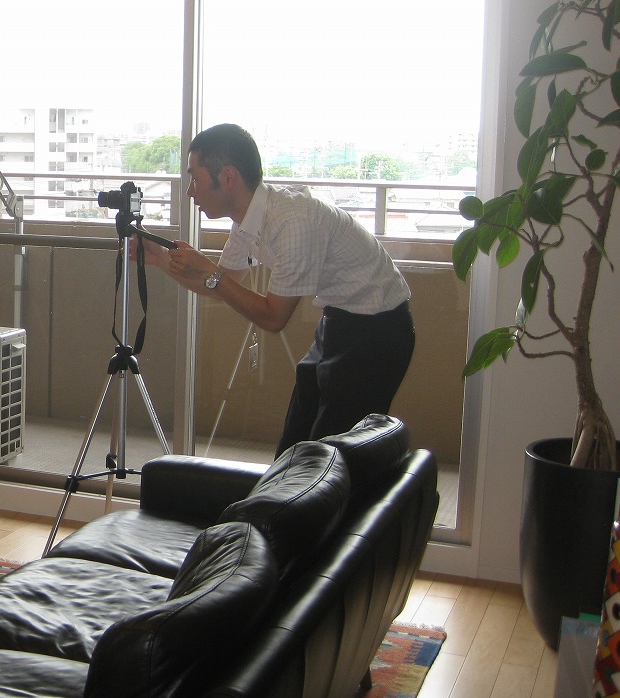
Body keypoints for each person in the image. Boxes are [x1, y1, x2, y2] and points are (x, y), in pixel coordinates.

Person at [137, 123, 415, 454]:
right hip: (337, 322)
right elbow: (221, 284)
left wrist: (210, 272)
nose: (189, 192)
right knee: (295, 445)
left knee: (330, 457)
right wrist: (159, 259)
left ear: (228, 177)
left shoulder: (292, 220)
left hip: (378, 332)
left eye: (194, 179)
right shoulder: (249, 218)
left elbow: (273, 318)